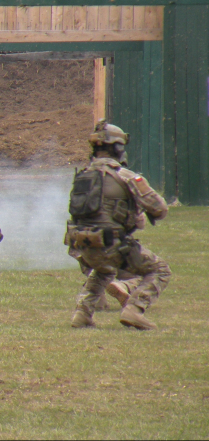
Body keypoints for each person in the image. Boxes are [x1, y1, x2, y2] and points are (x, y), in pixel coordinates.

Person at [66, 120, 170, 330]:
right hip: (112, 246)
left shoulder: (83, 175)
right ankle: (134, 309)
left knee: (103, 271)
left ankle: (82, 313)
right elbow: (160, 209)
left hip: (83, 248)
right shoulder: (126, 176)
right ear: (118, 147)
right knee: (160, 270)